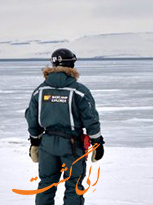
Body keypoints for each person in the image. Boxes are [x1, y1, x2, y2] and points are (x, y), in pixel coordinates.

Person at [25, 49, 105, 205]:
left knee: (46, 184)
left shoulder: (39, 91)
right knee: (73, 186)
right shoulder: (79, 91)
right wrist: (97, 142)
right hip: (72, 145)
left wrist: (35, 142)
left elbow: (32, 119)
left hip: (47, 144)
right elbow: (91, 118)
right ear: (72, 65)